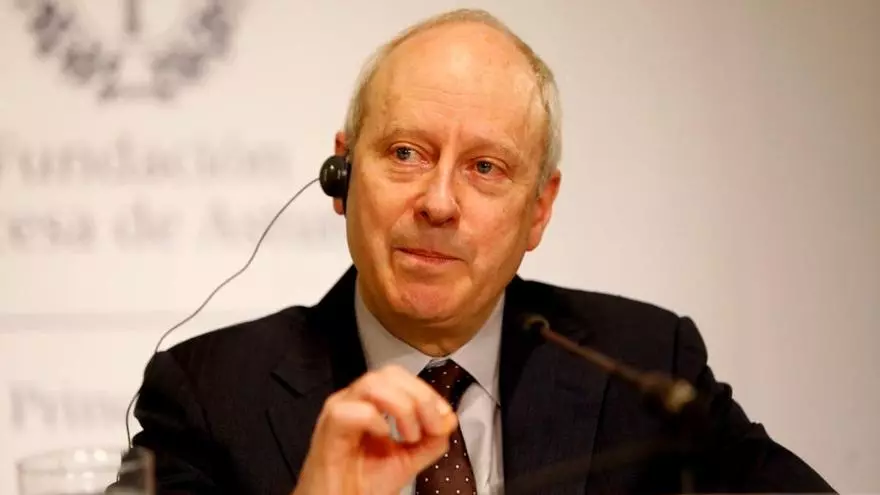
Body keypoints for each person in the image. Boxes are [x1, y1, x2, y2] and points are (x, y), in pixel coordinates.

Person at [129, 8, 835, 495]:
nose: (438, 202)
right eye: (405, 153)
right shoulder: (209, 395)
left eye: (486, 168)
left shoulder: (646, 367)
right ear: (342, 175)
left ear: (540, 209)